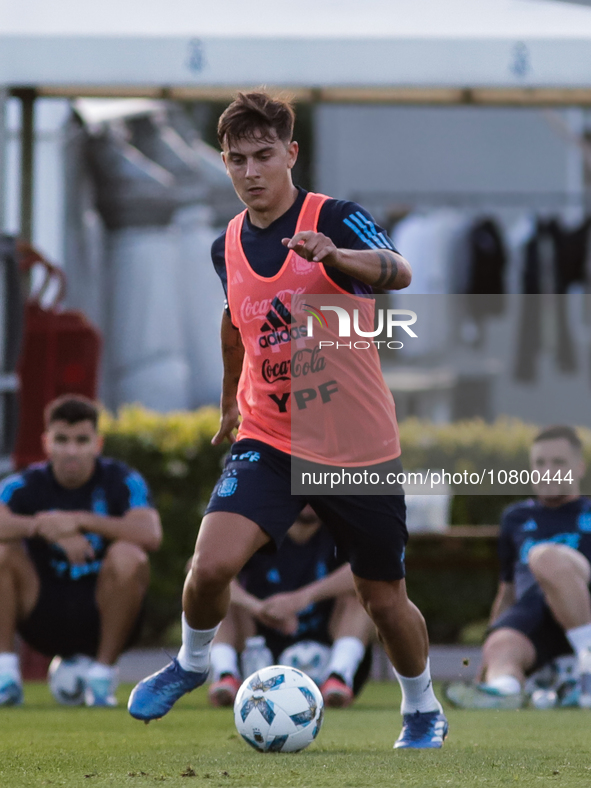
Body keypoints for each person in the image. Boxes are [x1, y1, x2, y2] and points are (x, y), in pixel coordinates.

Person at [129, 91, 447, 749]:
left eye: (263, 155)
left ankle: (421, 709)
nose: (250, 171)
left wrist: (333, 256)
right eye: (236, 159)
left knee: (383, 598)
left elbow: (398, 271)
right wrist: (226, 404)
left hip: (356, 446)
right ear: (223, 161)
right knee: (210, 565)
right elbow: (233, 323)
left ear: (290, 154)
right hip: (269, 438)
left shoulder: (336, 217)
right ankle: (192, 662)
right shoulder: (226, 245)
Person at [0, 395, 162, 707]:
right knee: (2, 551)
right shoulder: (24, 484)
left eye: (81, 440)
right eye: (61, 440)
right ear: (47, 443)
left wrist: (77, 522)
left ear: (97, 444)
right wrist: (42, 526)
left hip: (102, 614)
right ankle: (5, 676)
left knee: (131, 555)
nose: (71, 450)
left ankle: (102, 677)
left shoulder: (122, 480)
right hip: (40, 613)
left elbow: (151, 534)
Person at [445, 425, 591, 709]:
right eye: (540, 463)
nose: (547, 470)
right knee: (501, 644)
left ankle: (587, 656)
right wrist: (489, 647)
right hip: (533, 614)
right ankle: (504, 690)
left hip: (582, 607)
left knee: (543, 557)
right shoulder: (515, 517)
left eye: (558, 462)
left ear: (579, 468)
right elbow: (508, 590)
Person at [208, 505, 375, 709]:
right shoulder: (257, 532)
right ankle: (227, 675)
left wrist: (302, 598)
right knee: (216, 592)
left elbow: (373, 565)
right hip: (257, 649)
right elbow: (200, 566)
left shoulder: (342, 531)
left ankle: (339, 675)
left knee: (364, 593)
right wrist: (258, 608)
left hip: (326, 643)